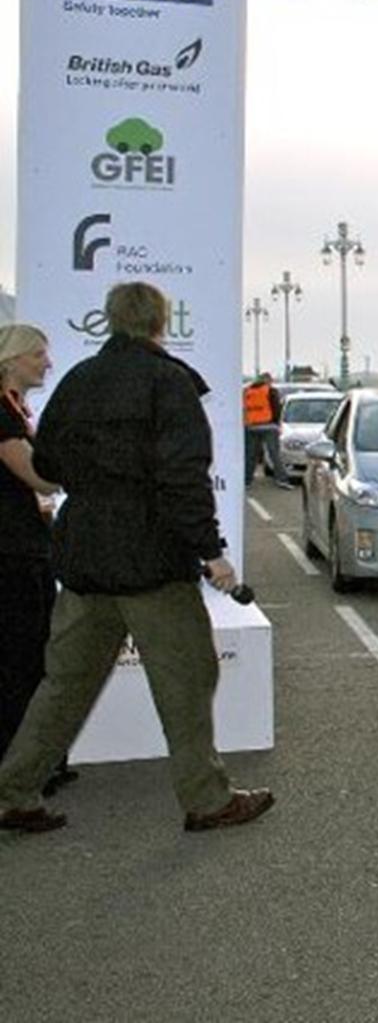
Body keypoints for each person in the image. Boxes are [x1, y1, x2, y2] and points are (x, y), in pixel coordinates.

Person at [0, 282, 273, 834]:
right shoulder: (169, 383)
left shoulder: (77, 382)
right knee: (187, 680)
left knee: (63, 686)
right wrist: (212, 553)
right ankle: (207, 799)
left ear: (109, 321)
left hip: (84, 560)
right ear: (159, 323)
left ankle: (13, 792)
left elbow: (48, 465)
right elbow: (183, 480)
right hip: (151, 563)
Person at [0, 324, 68, 796]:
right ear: (13, 359)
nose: (46, 363)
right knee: (20, 661)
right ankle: (18, 777)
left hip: (26, 546)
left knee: (32, 656)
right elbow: (40, 477)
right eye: (39, 355)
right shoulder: (3, 417)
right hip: (12, 555)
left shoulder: (15, 410)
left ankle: (35, 765)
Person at [242, 371, 291, 488]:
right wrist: (277, 424)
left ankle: (247, 481)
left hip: (251, 426)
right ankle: (282, 479)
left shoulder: (247, 391)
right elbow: (276, 409)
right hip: (268, 425)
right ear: (268, 380)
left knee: (250, 455)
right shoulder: (271, 391)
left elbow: (244, 409)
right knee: (274, 454)